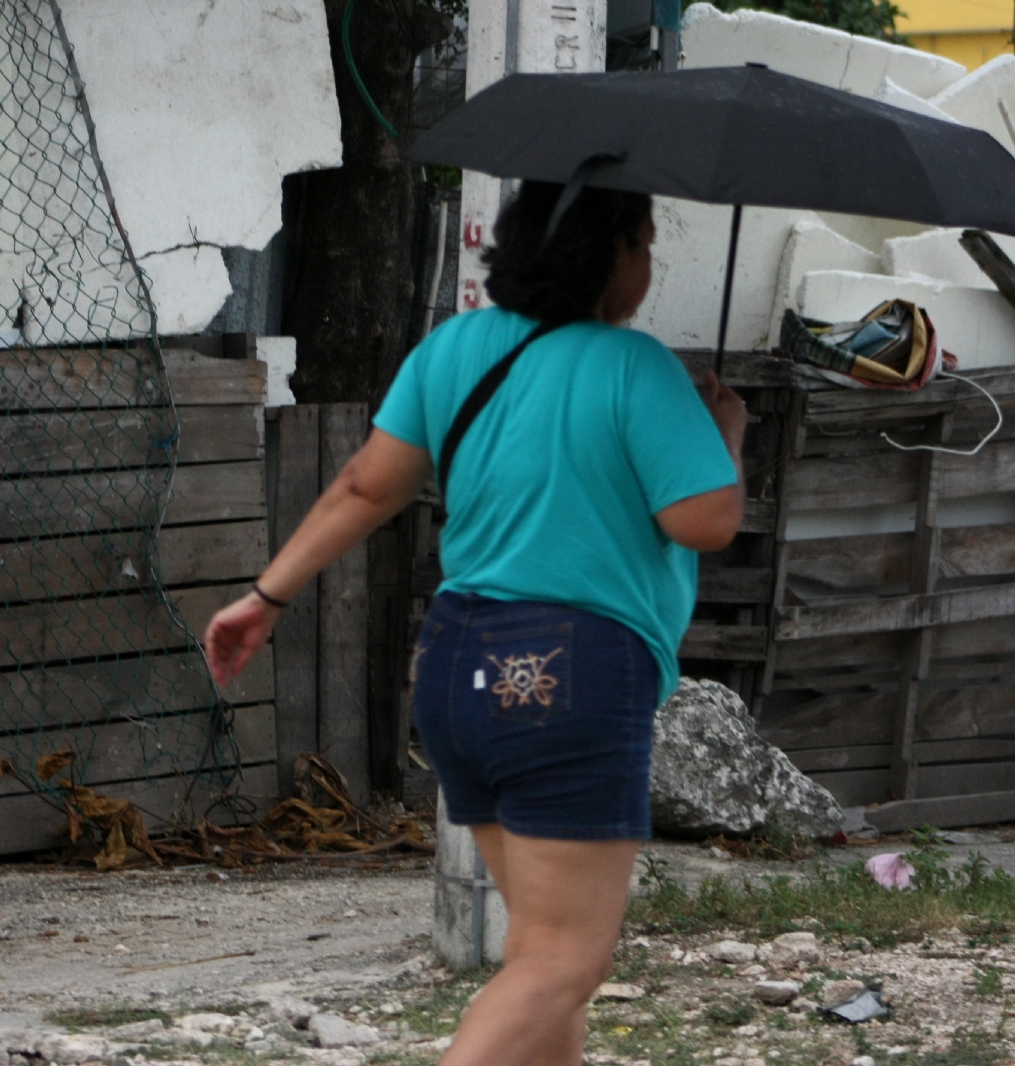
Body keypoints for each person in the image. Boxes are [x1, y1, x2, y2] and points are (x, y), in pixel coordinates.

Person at [203, 180, 748, 1066]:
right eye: (643, 243)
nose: (648, 266)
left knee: (541, 950)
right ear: (609, 255)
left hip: (458, 666)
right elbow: (706, 521)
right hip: (574, 674)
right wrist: (725, 431)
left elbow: (364, 487)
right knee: (566, 960)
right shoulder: (634, 367)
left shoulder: (454, 348)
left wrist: (264, 597)